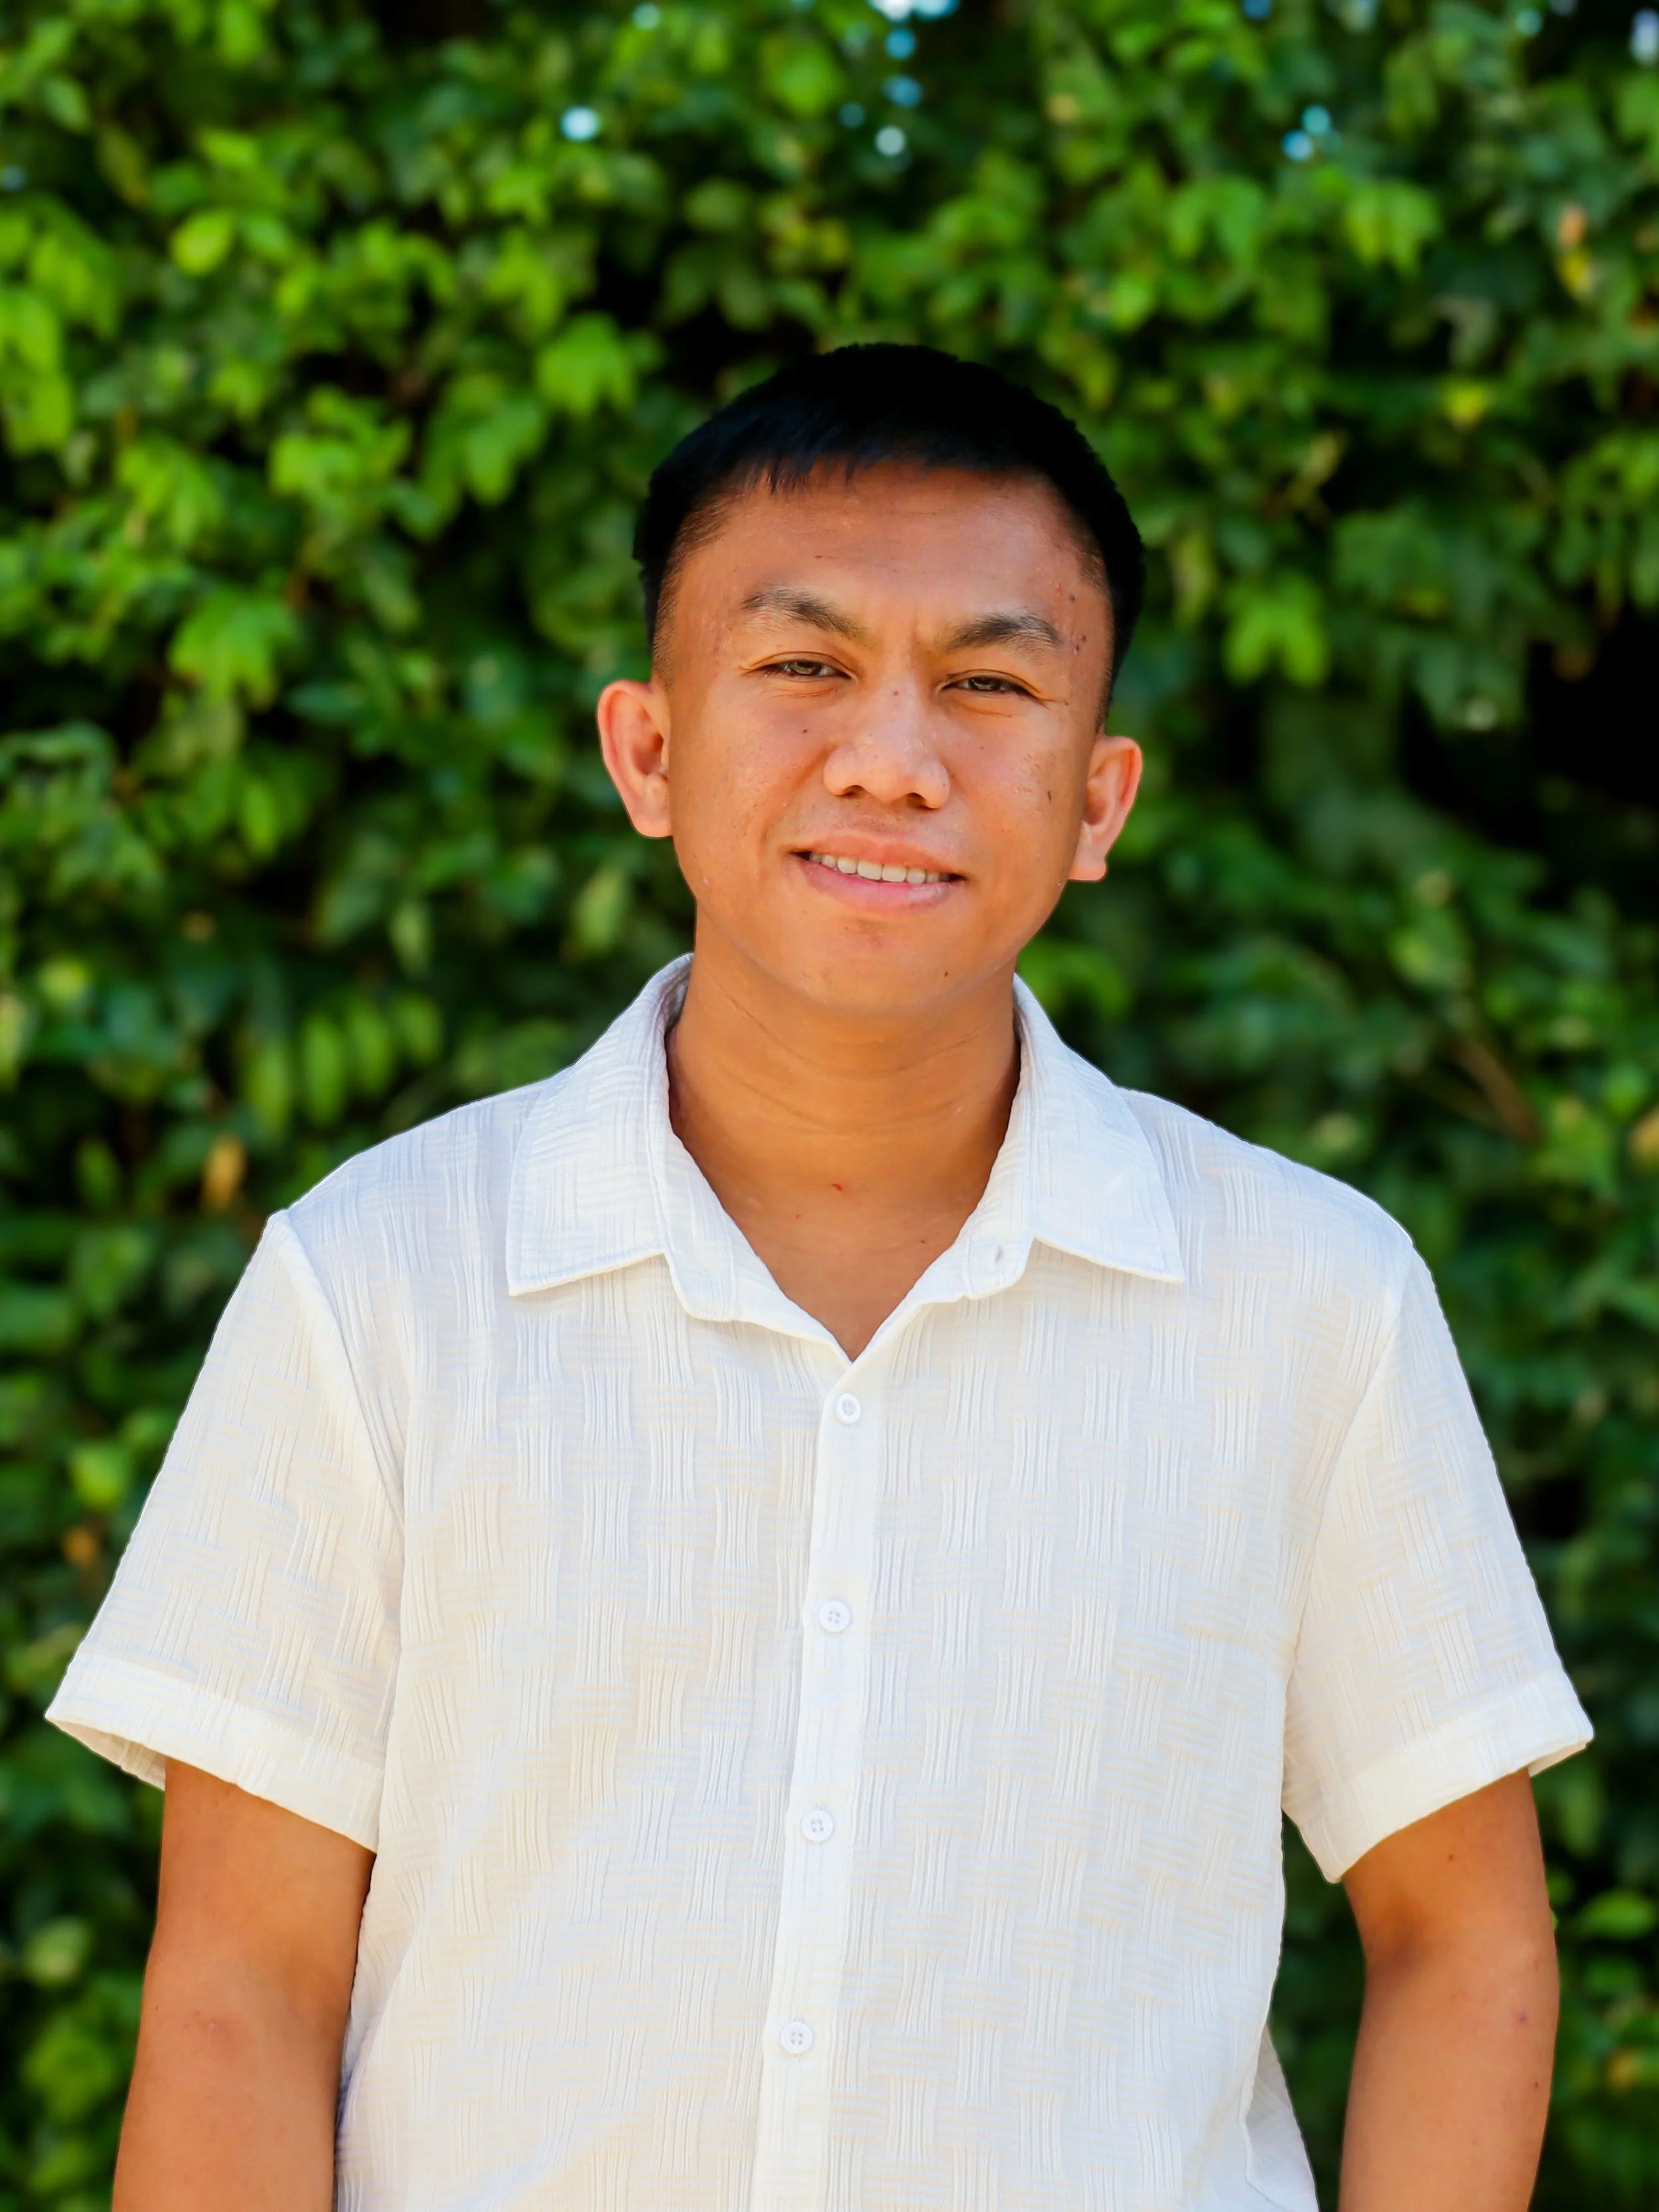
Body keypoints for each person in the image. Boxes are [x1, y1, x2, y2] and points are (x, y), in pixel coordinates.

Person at [50, 343, 1589, 2212]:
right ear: (648, 750)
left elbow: (1462, 1938)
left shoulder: (1310, 1301)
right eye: (803, 666)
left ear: (1100, 800)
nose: (891, 760)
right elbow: (241, 1985)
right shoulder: (377, 1285)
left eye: (990, 684)